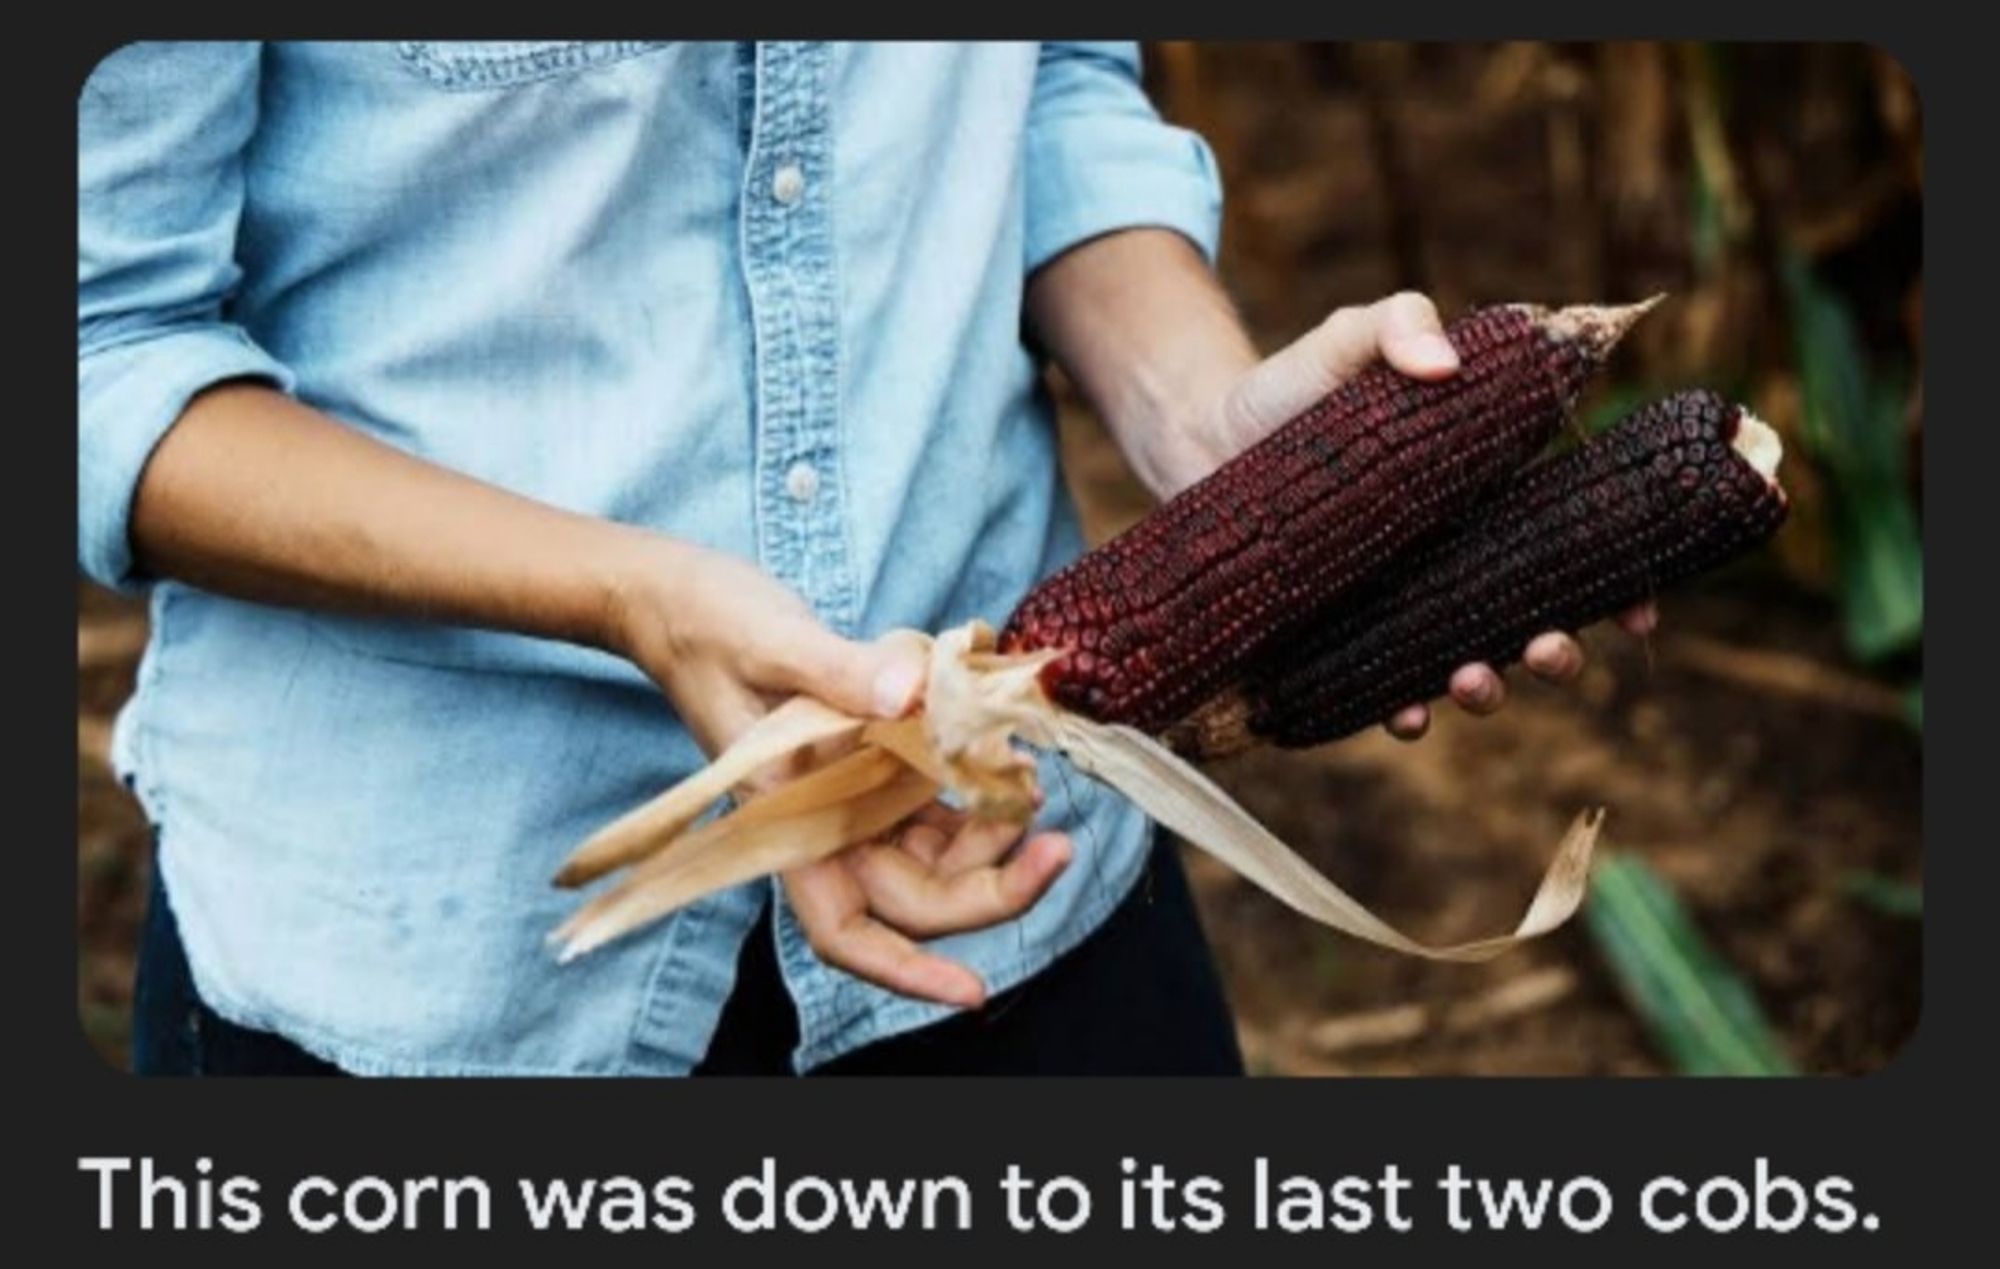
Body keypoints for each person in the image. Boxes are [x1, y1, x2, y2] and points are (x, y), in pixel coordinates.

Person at [80, 41, 1651, 1077]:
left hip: (1027, 872)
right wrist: (632, 594)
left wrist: (1214, 428)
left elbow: (1048, 85)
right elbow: (99, 347)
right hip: (451, 963)